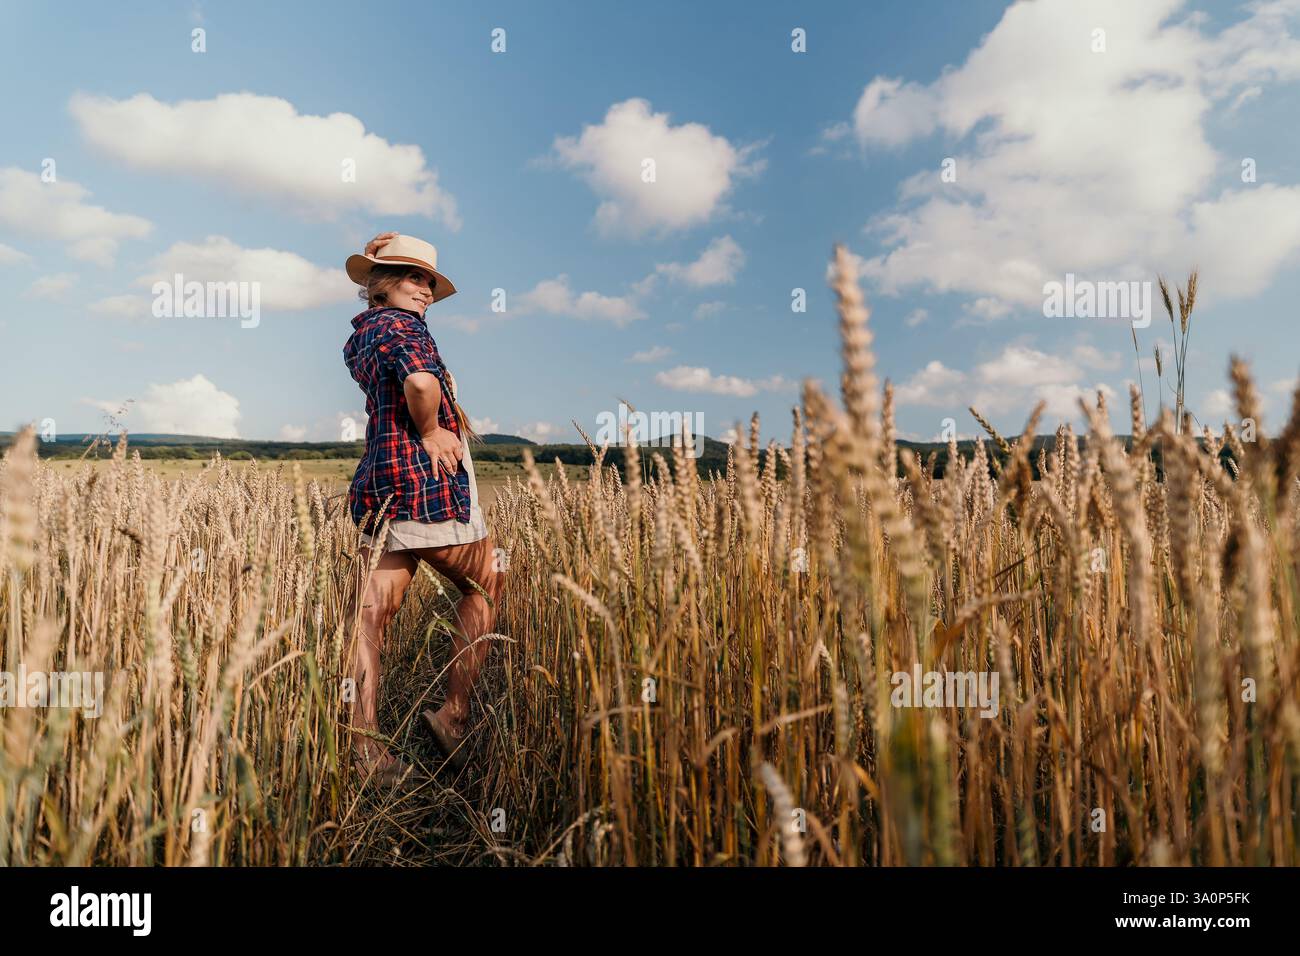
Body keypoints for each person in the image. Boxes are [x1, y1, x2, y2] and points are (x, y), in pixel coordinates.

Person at [342, 232, 503, 785]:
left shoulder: (362, 335)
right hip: (424, 486)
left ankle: (367, 751)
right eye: (414, 278)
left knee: (368, 620)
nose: (426, 291)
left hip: (382, 485)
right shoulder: (404, 327)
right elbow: (418, 381)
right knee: (486, 585)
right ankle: (453, 716)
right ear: (381, 285)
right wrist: (433, 430)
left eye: (429, 281)